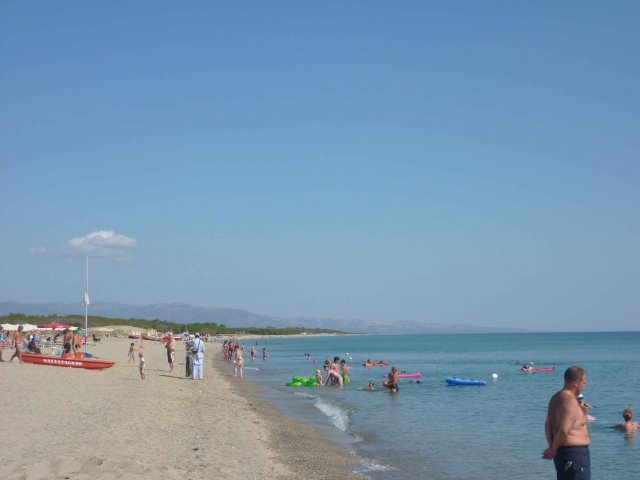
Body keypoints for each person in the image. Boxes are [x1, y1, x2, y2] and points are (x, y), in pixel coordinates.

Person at [542, 366, 591, 479]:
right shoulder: (571, 402)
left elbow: (548, 425)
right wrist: (553, 450)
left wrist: (552, 447)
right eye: (584, 382)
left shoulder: (555, 398)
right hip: (575, 454)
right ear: (576, 382)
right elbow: (564, 430)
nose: (584, 385)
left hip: (562, 453)